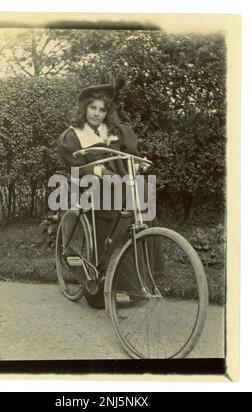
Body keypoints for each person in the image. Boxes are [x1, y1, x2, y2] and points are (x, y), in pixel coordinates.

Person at [58, 79, 163, 308]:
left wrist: (136, 166)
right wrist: (95, 170)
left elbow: (130, 156)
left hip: (120, 184)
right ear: (84, 108)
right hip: (91, 186)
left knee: (144, 200)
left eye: (102, 109)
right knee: (113, 205)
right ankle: (104, 284)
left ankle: (143, 282)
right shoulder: (73, 135)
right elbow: (74, 166)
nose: (97, 114)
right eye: (93, 108)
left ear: (107, 112)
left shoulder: (116, 132)